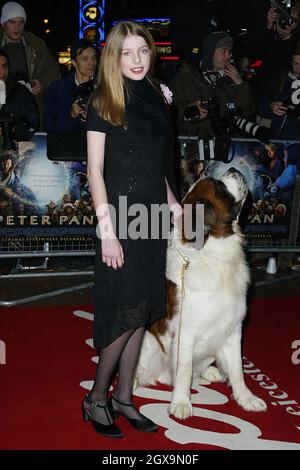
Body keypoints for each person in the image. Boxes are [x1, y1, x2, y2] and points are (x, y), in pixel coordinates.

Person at [84, 20, 180, 439]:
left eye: (143, 51)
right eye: (127, 53)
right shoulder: (103, 100)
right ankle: (96, 399)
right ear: (114, 57)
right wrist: (108, 231)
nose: (137, 60)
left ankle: (125, 397)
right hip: (119, 217)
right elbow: (94, 171)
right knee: (122, 312)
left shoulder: (158, 97)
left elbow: (159, 162)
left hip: (153, 215)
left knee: (141, 309)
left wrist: (174, 206)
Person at [170, 31, 255, 137]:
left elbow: (246, 111)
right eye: (224, 51)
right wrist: (189, 110)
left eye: (229, 52)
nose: (228, 56)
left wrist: (240, 84)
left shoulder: (229, 79)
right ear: (210, 53)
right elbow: (168, 114)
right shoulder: (185, 79)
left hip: (224, 145)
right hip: (194, 146)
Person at [0, 1, 61, 128]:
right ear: (3, 23)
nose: (17, 27)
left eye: (21, 22)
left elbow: (54, 70)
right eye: (12, 22)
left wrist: (41, 82)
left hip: (28, 107)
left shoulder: (35, 44)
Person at [44, 39, 97, 132]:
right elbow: (50, 125)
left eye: (94, 58)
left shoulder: (104, 87)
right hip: (67, 144)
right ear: (73, 62)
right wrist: (71, 115)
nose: (91, 63)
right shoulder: (57, 89)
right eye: (85, 59)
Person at [257, 42, 300, 140]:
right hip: (276, 141)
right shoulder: (280, 78)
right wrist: (271, 106)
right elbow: (260, 105)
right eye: (295, 63)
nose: (298, 69)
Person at [0, 48, 38, 146]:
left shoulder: (21, 93)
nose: (2, 71)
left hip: (13, 149)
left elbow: (33, 125)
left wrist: (10, 128)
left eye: (5, 66)